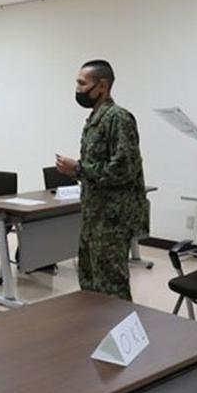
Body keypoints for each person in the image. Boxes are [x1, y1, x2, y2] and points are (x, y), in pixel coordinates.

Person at [55, 60, 148, 301]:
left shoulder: (118, 118)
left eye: (82, 83)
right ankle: (95, 333)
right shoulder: (96, 118)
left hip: (112, 220)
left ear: (102, 86)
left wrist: (77, 168)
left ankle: (120, 336)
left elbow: (123, 170)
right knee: (89, 281)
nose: (77, 89)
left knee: (111, 287)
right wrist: (79, 170)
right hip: (94, 215)